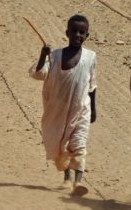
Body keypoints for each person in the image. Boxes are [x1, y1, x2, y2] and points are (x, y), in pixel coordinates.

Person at [29, 14, 97, 197]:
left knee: (79, 144)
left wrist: (94, 109)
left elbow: (92, 85)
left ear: (87, 35)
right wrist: (43, 56)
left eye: (81, 32)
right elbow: (37, 74)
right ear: (67, 33)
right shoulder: (55, 56)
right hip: (57, 111)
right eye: (74, 31)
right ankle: (66, 178)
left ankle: (78, 182)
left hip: (81, 109)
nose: (77, 35)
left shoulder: (90, 57)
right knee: (61, 145)